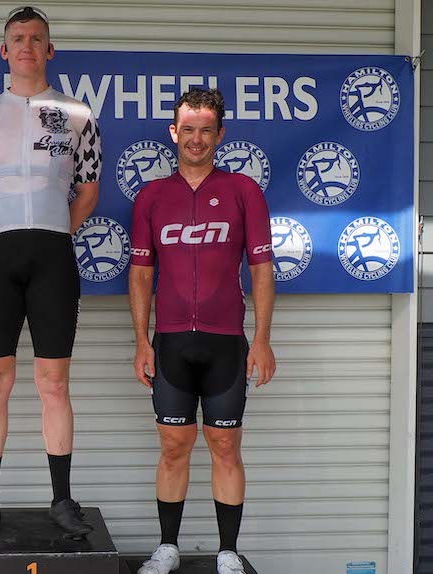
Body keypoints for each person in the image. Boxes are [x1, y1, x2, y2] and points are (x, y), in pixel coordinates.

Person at [0, 5, 102, 539]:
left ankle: (61, 499)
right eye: (18, 38)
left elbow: (88, 190)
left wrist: (53, 231)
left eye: (37, 39)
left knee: (53, 381)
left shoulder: (78, 113)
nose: (27, 47)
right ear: (4, 50)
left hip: (53, 255)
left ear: (49, 50)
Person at [128, 88, 276, 574]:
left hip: (225, 343)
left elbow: (261, 270)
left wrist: (262, 340)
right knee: (173, 447)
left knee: (226, 446)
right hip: (171, 341)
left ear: (220, 134)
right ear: (174, 133)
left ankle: (228, 552)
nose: (196, 139)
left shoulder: (243, 191)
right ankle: (167, 547)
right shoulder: (152, 196)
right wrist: (141, 341)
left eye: (206, 130)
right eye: (188, 129)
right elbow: (141, 274)